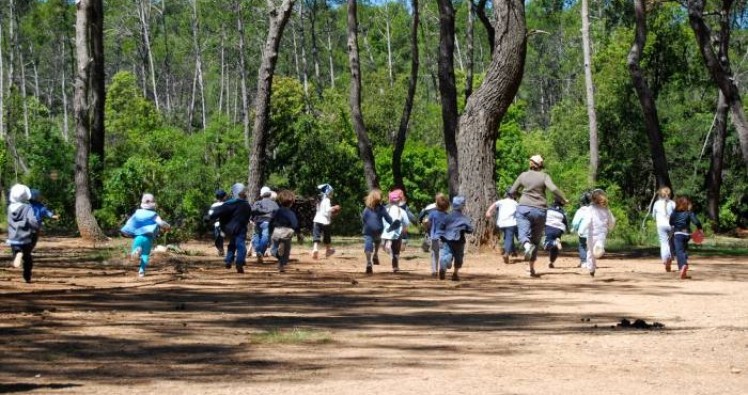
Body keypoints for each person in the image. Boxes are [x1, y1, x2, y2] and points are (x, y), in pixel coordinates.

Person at [508, 155, 568, 277]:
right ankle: (531, 269)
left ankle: (526, 246)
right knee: (535, 240)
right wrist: (564, 198)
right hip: (540, 210)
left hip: (524, 207)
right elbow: (553, 188)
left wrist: (520, 195)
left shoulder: (523, 175)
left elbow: (512, 191)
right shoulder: (544, 176)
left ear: (530, 163)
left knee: (523, 235)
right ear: (540, 165)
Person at [120, 193, 171, 278]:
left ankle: (137, 250)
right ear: (153, 204)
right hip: (148, 238)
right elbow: (161, 223)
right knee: (145, 255)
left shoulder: (137, 213)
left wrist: (127, 231)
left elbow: (129, 222)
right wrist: (168, 226)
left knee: (133, 253)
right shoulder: (154, 214)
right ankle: (141, 272)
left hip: (138, 237)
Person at [209, 183, 252, 273]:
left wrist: (209, 217)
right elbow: (248, 217)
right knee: (241, 246)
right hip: (240, 229)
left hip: (230, 229)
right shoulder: (246, 205)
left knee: (232, 244)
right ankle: (239, 262)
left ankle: (228, 260)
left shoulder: (229, 204)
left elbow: (218, 211)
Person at [7, 184, 40, 283]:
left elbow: (9, 221)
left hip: (13, 238)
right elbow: (33, 221)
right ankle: (27, 276)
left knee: (16, 251)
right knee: (27, 257)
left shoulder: (10, 208)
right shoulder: (27, 208)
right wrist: (36, 227)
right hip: (25, 237)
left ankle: (17, 253)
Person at [360, 189, 397, 274]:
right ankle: (372, 259)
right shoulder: (380, 208)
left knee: (372, 244)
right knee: (373, 244)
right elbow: (388, 218)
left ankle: (371, 259)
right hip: (373, 231)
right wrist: (392, 223)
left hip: (370, 230)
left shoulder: (369, 209)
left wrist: (392, 223)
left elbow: (364, 219)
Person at [438, 196, 474, 281]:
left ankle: (444, 264)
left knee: (447, 253)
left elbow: (441, 226)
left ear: (453, 205)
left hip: (447, 240)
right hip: (459, 241)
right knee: (458, 257)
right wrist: (466, 229)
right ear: (462, 206)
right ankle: (455, 274)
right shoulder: (463, 218)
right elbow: (470, 229)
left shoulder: (447, 216)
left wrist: (441, 235)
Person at [583, 189, 616, 277]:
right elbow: (612, 220)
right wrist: (611, 227)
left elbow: (587, 220)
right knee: (599, 244)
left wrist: (583, 229)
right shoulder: (606, 209)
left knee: (590, 251)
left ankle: (591, 269)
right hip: (602, 232)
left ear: (592, 199)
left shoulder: (590, 209)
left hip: (591, 233)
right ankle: (600, 248)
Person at [669, 196, 703, 279]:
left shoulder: (674, 212)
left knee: (679, 251)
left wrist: (676, 223)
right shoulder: (689, 212)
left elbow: (671, 222)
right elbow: (696, 221)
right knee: (683, 250)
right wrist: (700, 229)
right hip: (687, 234)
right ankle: (684, 271)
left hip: (678, 234)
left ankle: (683, 266)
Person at [485, 188, 518, 264]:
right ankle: (506, 253)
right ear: (513, 195)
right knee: (509, 238)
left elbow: (493, 205)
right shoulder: (515, 203)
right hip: (511, 223)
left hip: (501, 224)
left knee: (507, 237)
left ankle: (513, 251)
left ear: (506, 194)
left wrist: (488, 212)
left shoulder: (501, 201)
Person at [271, 190, 300, 273]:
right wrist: (298, 233)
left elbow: (271, 221)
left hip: (277, 231)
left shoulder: (276, 211)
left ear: (279, 201)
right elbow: (295, 224)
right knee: (286, 251)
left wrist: (270, 231)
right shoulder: (291, 213)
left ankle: (277, 253)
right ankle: (282, 264)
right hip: (287, 232)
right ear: (291, 203)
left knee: (273, 250)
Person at [381, 191, 410, 272]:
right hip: (397, 233)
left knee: (385, 246)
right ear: (399, 201)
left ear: (389, 200)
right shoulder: (402, 211)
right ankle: (395, 266)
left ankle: (388, 246)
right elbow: (406, 223)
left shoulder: (385, 209)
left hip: (386, 233)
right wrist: (405, 231)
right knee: (396, 250)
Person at [251, 186, 279, 263]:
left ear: (261, 195)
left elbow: (253, 211)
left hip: (258, 222)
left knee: (257, 236)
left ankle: (258, 251)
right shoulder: (274, 204)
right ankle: (260, 252)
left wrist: (252, 219)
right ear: (270, 194)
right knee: (265, 237)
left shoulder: (257, 203)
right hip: (268, 222)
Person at [311, 183, 340, 259]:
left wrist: (332, 212)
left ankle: (315, 248)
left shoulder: (318, 200)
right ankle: (328, 250)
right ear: (328, 192)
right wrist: (334, 207)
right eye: (330, 192)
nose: (331, 194)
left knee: (316, 236)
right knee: (327, 237)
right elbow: (327, 210)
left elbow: (321, 211)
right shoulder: (327, 200)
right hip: (325, 222)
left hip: (316, 220)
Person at [651, 186, 676, 272]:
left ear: (660, 195)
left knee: (664, 243)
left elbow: (653, 215)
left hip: (661, 225)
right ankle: (669, 259)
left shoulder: (656, 204)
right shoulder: (673, 203)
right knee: (671, 243)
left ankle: (665, 259)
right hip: (672, 226)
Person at [425, 193, 450, 277]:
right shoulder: (448, 216)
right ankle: (442, 268)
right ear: (447, 206)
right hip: (444, 239)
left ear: (436, 204)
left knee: (434, 254)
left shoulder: (433, 214)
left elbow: (428, 224)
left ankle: (434, 271)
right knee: (443, 254)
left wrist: (426, 226)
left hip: (434, 238)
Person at [543, 198, 568, 269]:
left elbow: (543, 218)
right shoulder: (562, 212)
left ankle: (554, 242)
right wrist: (566, 231)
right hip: (559, 230)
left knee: (546, 244)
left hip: (549, 228)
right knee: (554, 249)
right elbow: (565, 222)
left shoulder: (548, 209)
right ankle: (551, 262)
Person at [570, 191, 592, 268]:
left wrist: (574, 228)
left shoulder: (581, 210)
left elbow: (575, 222)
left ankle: (584, 262)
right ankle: (590, 262)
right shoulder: (594, 210)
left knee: (582, 246)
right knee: (590, 247)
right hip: (593, 231)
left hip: (583, 231)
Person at [208, 189, 228, 256]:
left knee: (218, 237)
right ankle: (221, 249)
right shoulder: (226, 204)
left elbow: (210, 214)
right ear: (224, 197)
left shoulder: (214, 205)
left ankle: (220, 249)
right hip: (224, 223)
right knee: (220, 237)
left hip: (217, 224)